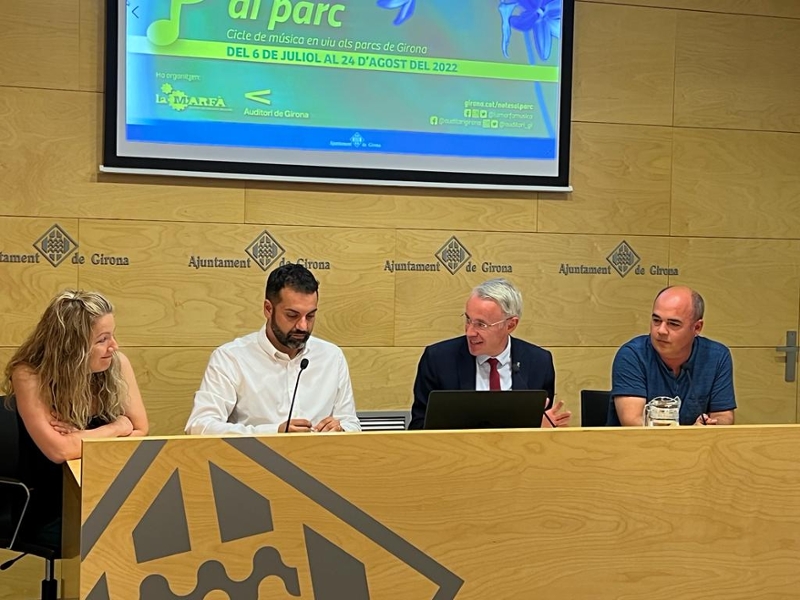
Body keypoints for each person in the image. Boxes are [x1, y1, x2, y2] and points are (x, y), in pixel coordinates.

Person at [3, 290, 149, 546]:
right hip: (50, 501)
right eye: (102, 339)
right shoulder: (29, 374)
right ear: (72, 345)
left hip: (105, 489)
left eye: (112, 335)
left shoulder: (117, 363)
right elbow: (59, 451)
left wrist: (80, 438)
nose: (114, 346)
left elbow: (140, 430)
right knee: (114, 537)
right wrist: (117, 427)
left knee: (154, 526)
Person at [186, 263, 360, 435]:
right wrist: (274, 432)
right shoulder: (231, 358)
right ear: (268, 309)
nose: (303, 326)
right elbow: (199, 426)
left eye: (311, 315)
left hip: (319, 459)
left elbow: (351, 423)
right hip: (251, 461)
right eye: (292, 315)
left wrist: (341, 429)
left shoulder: (331, 356)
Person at [409, 278, 571, 430]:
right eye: (468, 320)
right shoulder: (438, 359)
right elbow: (419, 427)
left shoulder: (538, 362)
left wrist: (542, 430)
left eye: (481, 324)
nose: (470, 332)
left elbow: (542, 431)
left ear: (510, 325)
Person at [608, 286, 736, 426]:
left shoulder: (717, 356)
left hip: (697, 447)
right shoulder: (632, 355)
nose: (661, 331)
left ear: (697, 327)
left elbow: (724, 416)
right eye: (656, 321)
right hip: (636, 446)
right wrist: (689, 435)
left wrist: (710, 425)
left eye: (673, 324)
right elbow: (633, 423)